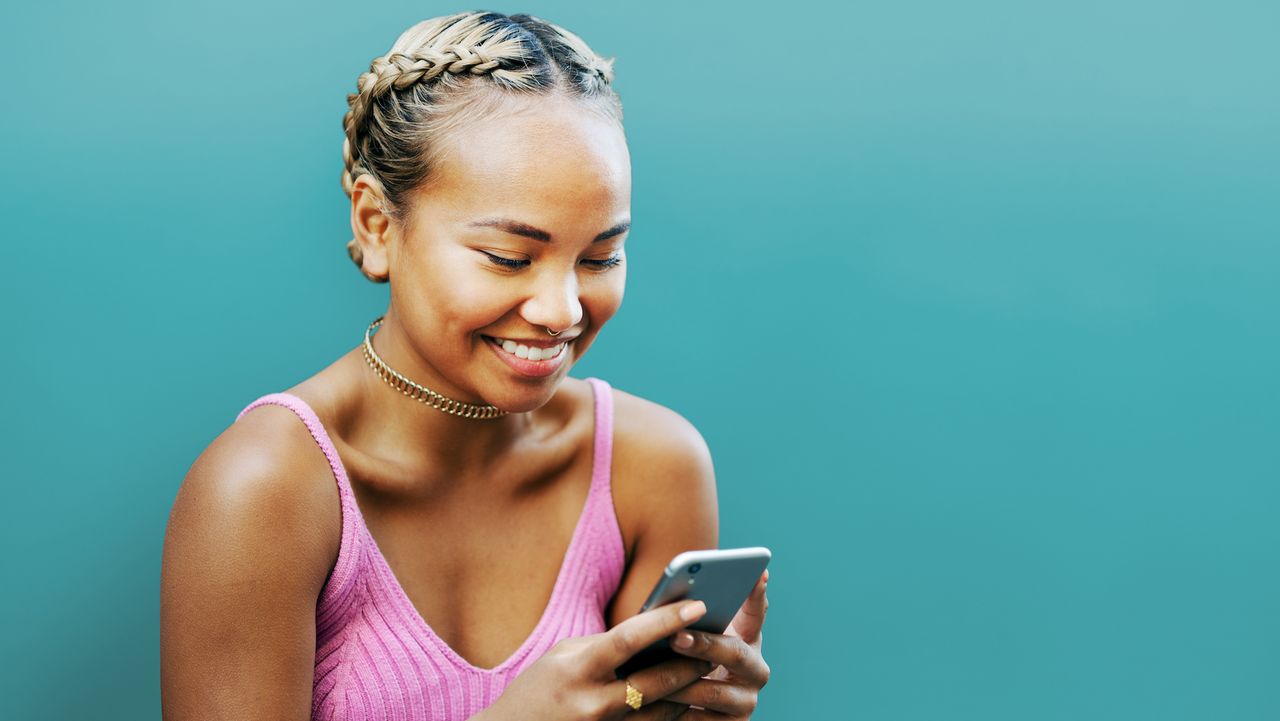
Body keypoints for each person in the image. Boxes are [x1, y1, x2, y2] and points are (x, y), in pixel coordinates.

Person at [160, 10, 770, 721]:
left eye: (600, 256)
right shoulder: (264, 492)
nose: (562, 308)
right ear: (376, 224)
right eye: (510, 257)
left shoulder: (650, 468)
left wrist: (687, 713)